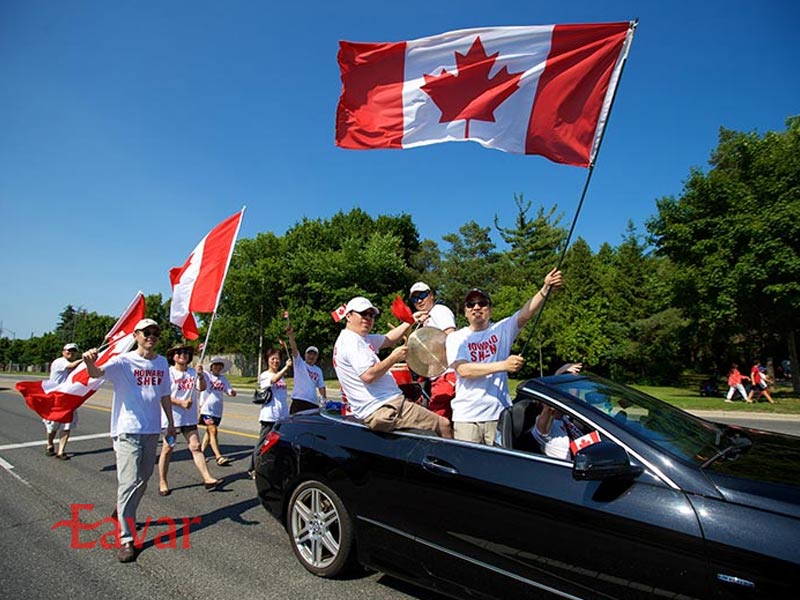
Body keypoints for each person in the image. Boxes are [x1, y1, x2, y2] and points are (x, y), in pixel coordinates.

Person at [82, 318, 175, 563]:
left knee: (144, 478)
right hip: (127, 430)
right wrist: (89, 362)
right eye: (147, 332)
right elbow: (97, 373)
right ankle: (126, 539)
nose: (151, 336)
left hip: (151, 430)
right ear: (136, 335)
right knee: (129, 480)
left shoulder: (162, 362)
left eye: (155, 332)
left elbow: (165, 394)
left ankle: (123, 507)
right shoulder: (124, 361)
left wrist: (171, 423)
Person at [447, 268, 563, 445]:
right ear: (465, 312)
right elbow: (463, 370)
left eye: (482, 303)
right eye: (470, 304)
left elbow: (526, 313)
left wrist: (545, 289)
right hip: (467, 417)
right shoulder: (456, 338)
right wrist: (503, 365)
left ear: (489, 309)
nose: (476, 307)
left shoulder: (501, 329)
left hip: (498, 414)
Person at [333, 296, 452, 437]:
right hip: (384, 408)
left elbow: (388, 339)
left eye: (371, 314)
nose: (368, 318)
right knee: (443, 424)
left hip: (381, 407)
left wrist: (411, 320)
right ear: (348, 316)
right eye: (363, 313)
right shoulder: (352, 342)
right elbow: (368, 376)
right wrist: (394, 358)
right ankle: (454, 459)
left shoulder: (359, 339)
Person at [157, 344, 223, 496]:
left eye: (186, 352)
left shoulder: (193, 373)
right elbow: (163, 395)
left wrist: (200, 375)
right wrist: (180, 402)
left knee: (195, 446)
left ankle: (207, 478)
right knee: (168, 449)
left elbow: (202, 387)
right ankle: (162, 481)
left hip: (189, 419)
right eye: (179, 352)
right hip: (171, 419)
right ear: (173, 356)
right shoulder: (168, 373)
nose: (183, 355)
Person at [409, 282, 457, 420]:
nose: (419, 301)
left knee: (438, 417)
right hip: (435, 375)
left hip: (447, 373)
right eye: (415, 298)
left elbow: (450, 336)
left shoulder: (439, 311)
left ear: (431, 295)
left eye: (422, 295)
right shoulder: (425, 319)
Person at [248, 347, 292, 478]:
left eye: (277, 358)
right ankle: (253, 468)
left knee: (279, 444)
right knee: (263, 443)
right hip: (269, 416)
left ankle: (276, 468)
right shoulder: (265, 375)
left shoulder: (282, 378)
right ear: (268, 360)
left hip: (282, 415)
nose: (275, 361)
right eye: (272, 358)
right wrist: (286, 368)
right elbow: (273, 381)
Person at [44, 342, 83, 459]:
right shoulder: (59, 362)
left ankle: (61, 451)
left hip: (68, 398)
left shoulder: (75, 365)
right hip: (55, 398)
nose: (71, 353)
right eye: (68, 350)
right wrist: (84, 359)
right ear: (63, 352)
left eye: (74, 351)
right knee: (52, 426)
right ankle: (50, 444)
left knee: (67, 425)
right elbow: (71, 366)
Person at [199, 356, 237, 466]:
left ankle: (200, 453)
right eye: (216, 365)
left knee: (209, 432)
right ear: (211, 366)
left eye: (220, 366)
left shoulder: (223, 378)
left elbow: (228, 389)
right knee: (213, 430)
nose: (218, 367)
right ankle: (218, 457)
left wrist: (231, 392)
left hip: (217, 410)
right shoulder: (206, 375)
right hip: (206, 409)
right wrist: (200, 372)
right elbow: (200, 376)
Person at [285, 324, 326, 414]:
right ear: (305, 355)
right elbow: (294, 348)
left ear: (317, 357)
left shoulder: (318, 370)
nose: (311, 356)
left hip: (313, 403)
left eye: (314, 354)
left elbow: (321, 387)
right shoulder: (299, 363)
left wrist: (323, 401)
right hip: (299, 401)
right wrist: (291, 336)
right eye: (309, 353)